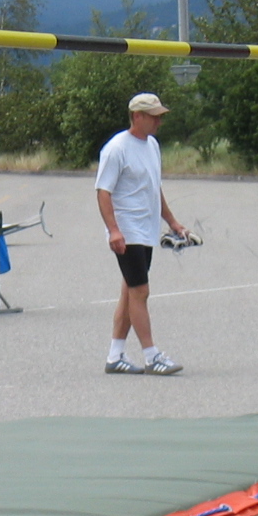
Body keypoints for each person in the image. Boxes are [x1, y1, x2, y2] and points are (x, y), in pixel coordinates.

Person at [95, 92, 187, 376]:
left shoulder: (152, 146)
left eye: (160, 116)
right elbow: (103, 191)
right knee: (140, 291)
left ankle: (115, 356)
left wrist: (172, 222)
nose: (159, 122)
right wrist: (114, 230)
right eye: (154, 117)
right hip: (128, 230)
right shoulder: (116, 149)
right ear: (137, 116)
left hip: (146, 230)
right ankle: (152, 356)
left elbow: (154, 188)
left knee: (129, 291)